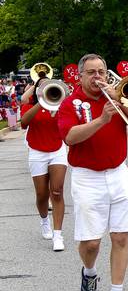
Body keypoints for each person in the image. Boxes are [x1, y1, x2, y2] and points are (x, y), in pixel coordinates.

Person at [57, 53, 128, 291]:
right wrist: (101, 120)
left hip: (118, 173)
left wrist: (121, 100)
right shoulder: (70, 103)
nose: (98, 77)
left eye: (101, 71)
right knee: (91, 243)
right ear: (81, 76)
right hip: (87, 177)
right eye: (91, 72)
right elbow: (70, 137)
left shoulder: (117, 97)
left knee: (120, 236)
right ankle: (89, 272)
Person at [20, 81, 68, 251]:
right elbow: (23, 123)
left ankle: (58, 235)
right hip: (37, 151)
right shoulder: (29, 105)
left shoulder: (61, 104)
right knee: (42, 194)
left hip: (57, 150)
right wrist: (41, 103)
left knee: (57, 191)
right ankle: (44, 221)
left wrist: (57, 107)